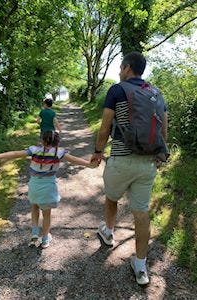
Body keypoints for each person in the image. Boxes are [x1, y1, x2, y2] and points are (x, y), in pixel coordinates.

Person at [91, 51, 168, 285]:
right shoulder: (156, 93)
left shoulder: (117, 90)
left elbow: (105, 128)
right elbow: (164, 129)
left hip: (121, 159)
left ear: (126, 67)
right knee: (141, 212)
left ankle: (108, 232)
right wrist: (160, 155)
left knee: (112, 198)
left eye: (120, 67)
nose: (119, 71)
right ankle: (141, 266)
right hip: (148, 163)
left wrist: (97, 151)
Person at [0, 131, 98, 249]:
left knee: (34, 207)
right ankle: (45, 239)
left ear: (42, 141)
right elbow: (74, 160)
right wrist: (89, 164)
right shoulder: (59, 152)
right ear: (57, 142)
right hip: (49, 187)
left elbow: (15, 154)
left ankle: (35, 234)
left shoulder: (34, 150)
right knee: (46, 214)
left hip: (34, 185)